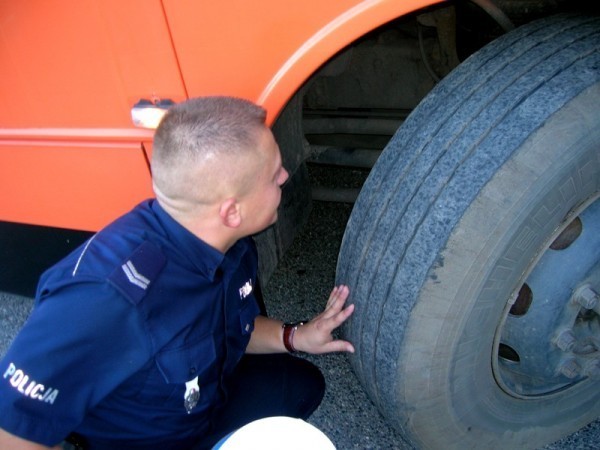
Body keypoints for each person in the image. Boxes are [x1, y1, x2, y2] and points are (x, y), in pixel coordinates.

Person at [0, 97, 355, 450]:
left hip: (204, 402)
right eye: (273, 174)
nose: (284, 176)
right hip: (145, 441)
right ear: (232, 211)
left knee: (300, 386)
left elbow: (232, 326)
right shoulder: (105, 298)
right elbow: (11, 432)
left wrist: (297, 336)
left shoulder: (225, 239)